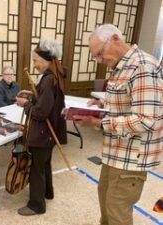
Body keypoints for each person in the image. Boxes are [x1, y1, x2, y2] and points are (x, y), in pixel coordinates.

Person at [73, 24, 163, 225]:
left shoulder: (142, 67)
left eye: (99, 53)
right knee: (106, 202)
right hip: (115, 153)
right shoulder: (121, 66)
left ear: (115, 39)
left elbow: (146, 119)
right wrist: (103, 104)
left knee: (117, 213)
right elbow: (128, 101)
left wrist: (99, 121)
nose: (99, 60)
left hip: (131, 157)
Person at [15, 39, 67, 216]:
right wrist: (32, 96)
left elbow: (41, 113)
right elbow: (47, 102)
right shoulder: (56, 75)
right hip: (51, 132)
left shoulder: (48, 80)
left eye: (36, 60)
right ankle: (47, 192)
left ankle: (36, 205)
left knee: (37, 168)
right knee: (44, 163)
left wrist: (25, 104)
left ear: (45, 60)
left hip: (44, 132)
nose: (35, 64)